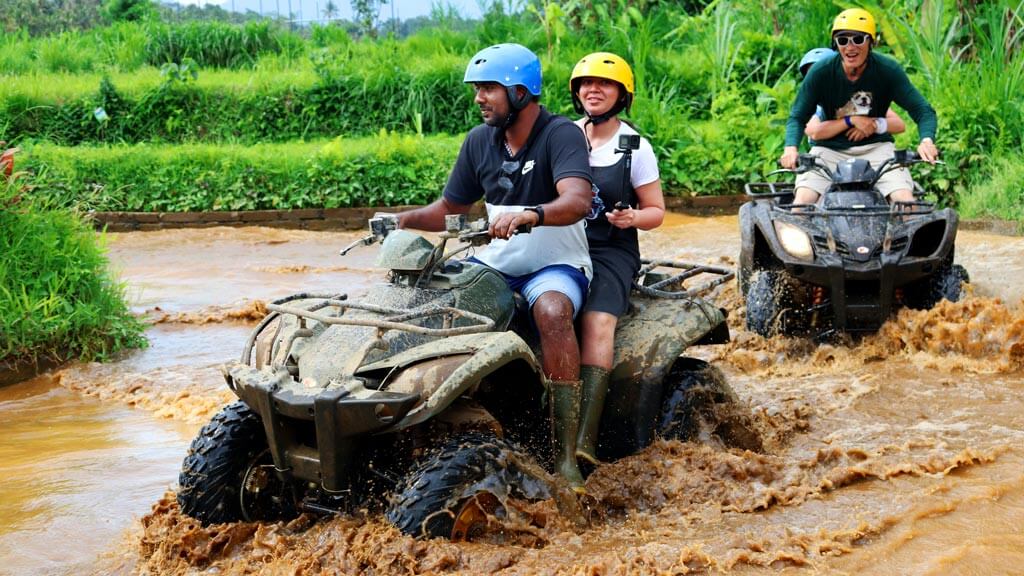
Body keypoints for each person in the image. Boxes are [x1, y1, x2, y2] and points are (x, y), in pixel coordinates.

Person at [396, 43, 593, 490]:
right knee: (439, 304)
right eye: (476, 89)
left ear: (521, 93)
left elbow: (577, 200)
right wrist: (404, 220)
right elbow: (451, 205)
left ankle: (565, 456)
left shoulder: (560, 134)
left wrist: (531, 214)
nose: (478, 98)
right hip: (493, 264)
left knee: (552, 312)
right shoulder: (478, 140)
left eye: (488, 88)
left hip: (554, 263)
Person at [568, 52, 665, 466]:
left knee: (597, 320)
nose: (594, 90)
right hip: (561, 243)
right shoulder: (563, 135)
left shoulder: (636, 147)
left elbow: (657, 212)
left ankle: (584, 437)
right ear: (576, 92)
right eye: (586, 84)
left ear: (622, 95)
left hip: (611, 249)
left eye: (604, 84)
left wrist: (632, 218)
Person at [779, 8, 939, 206]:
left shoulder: (888, 70)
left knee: (905, 201)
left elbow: (922, 110)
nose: (850, 47)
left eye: (857, 39)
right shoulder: (820, 71)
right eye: (843, 40)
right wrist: (790, 148)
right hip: (829, 150)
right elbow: (798, 116)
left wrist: (927, 140)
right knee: (802, 202)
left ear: (871, 42)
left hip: (877, 149)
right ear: (835, 44)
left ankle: (902, 234)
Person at [797, 48, 906, 146]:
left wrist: (872, 125)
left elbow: (899, 125)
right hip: (831, 153)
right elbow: (814, 132)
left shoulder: (859, 97)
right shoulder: (814, 104)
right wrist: (851, 121)